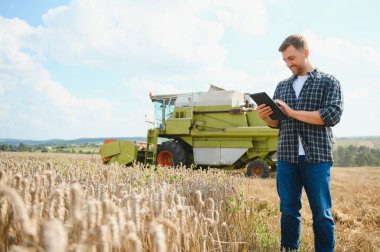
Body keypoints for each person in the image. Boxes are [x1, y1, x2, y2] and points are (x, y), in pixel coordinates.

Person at [256, 34, 343, 251]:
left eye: (292, 58)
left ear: (306, 53)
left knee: (321, 213)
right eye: (285, 60)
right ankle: (289, 248)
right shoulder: (282, 86)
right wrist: (266, 116)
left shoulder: (328, 82)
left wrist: (292, 112)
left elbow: (331, 116)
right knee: (288, 210)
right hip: (287, 158)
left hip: (317, 158)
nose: (288, 64)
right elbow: (278, 124)